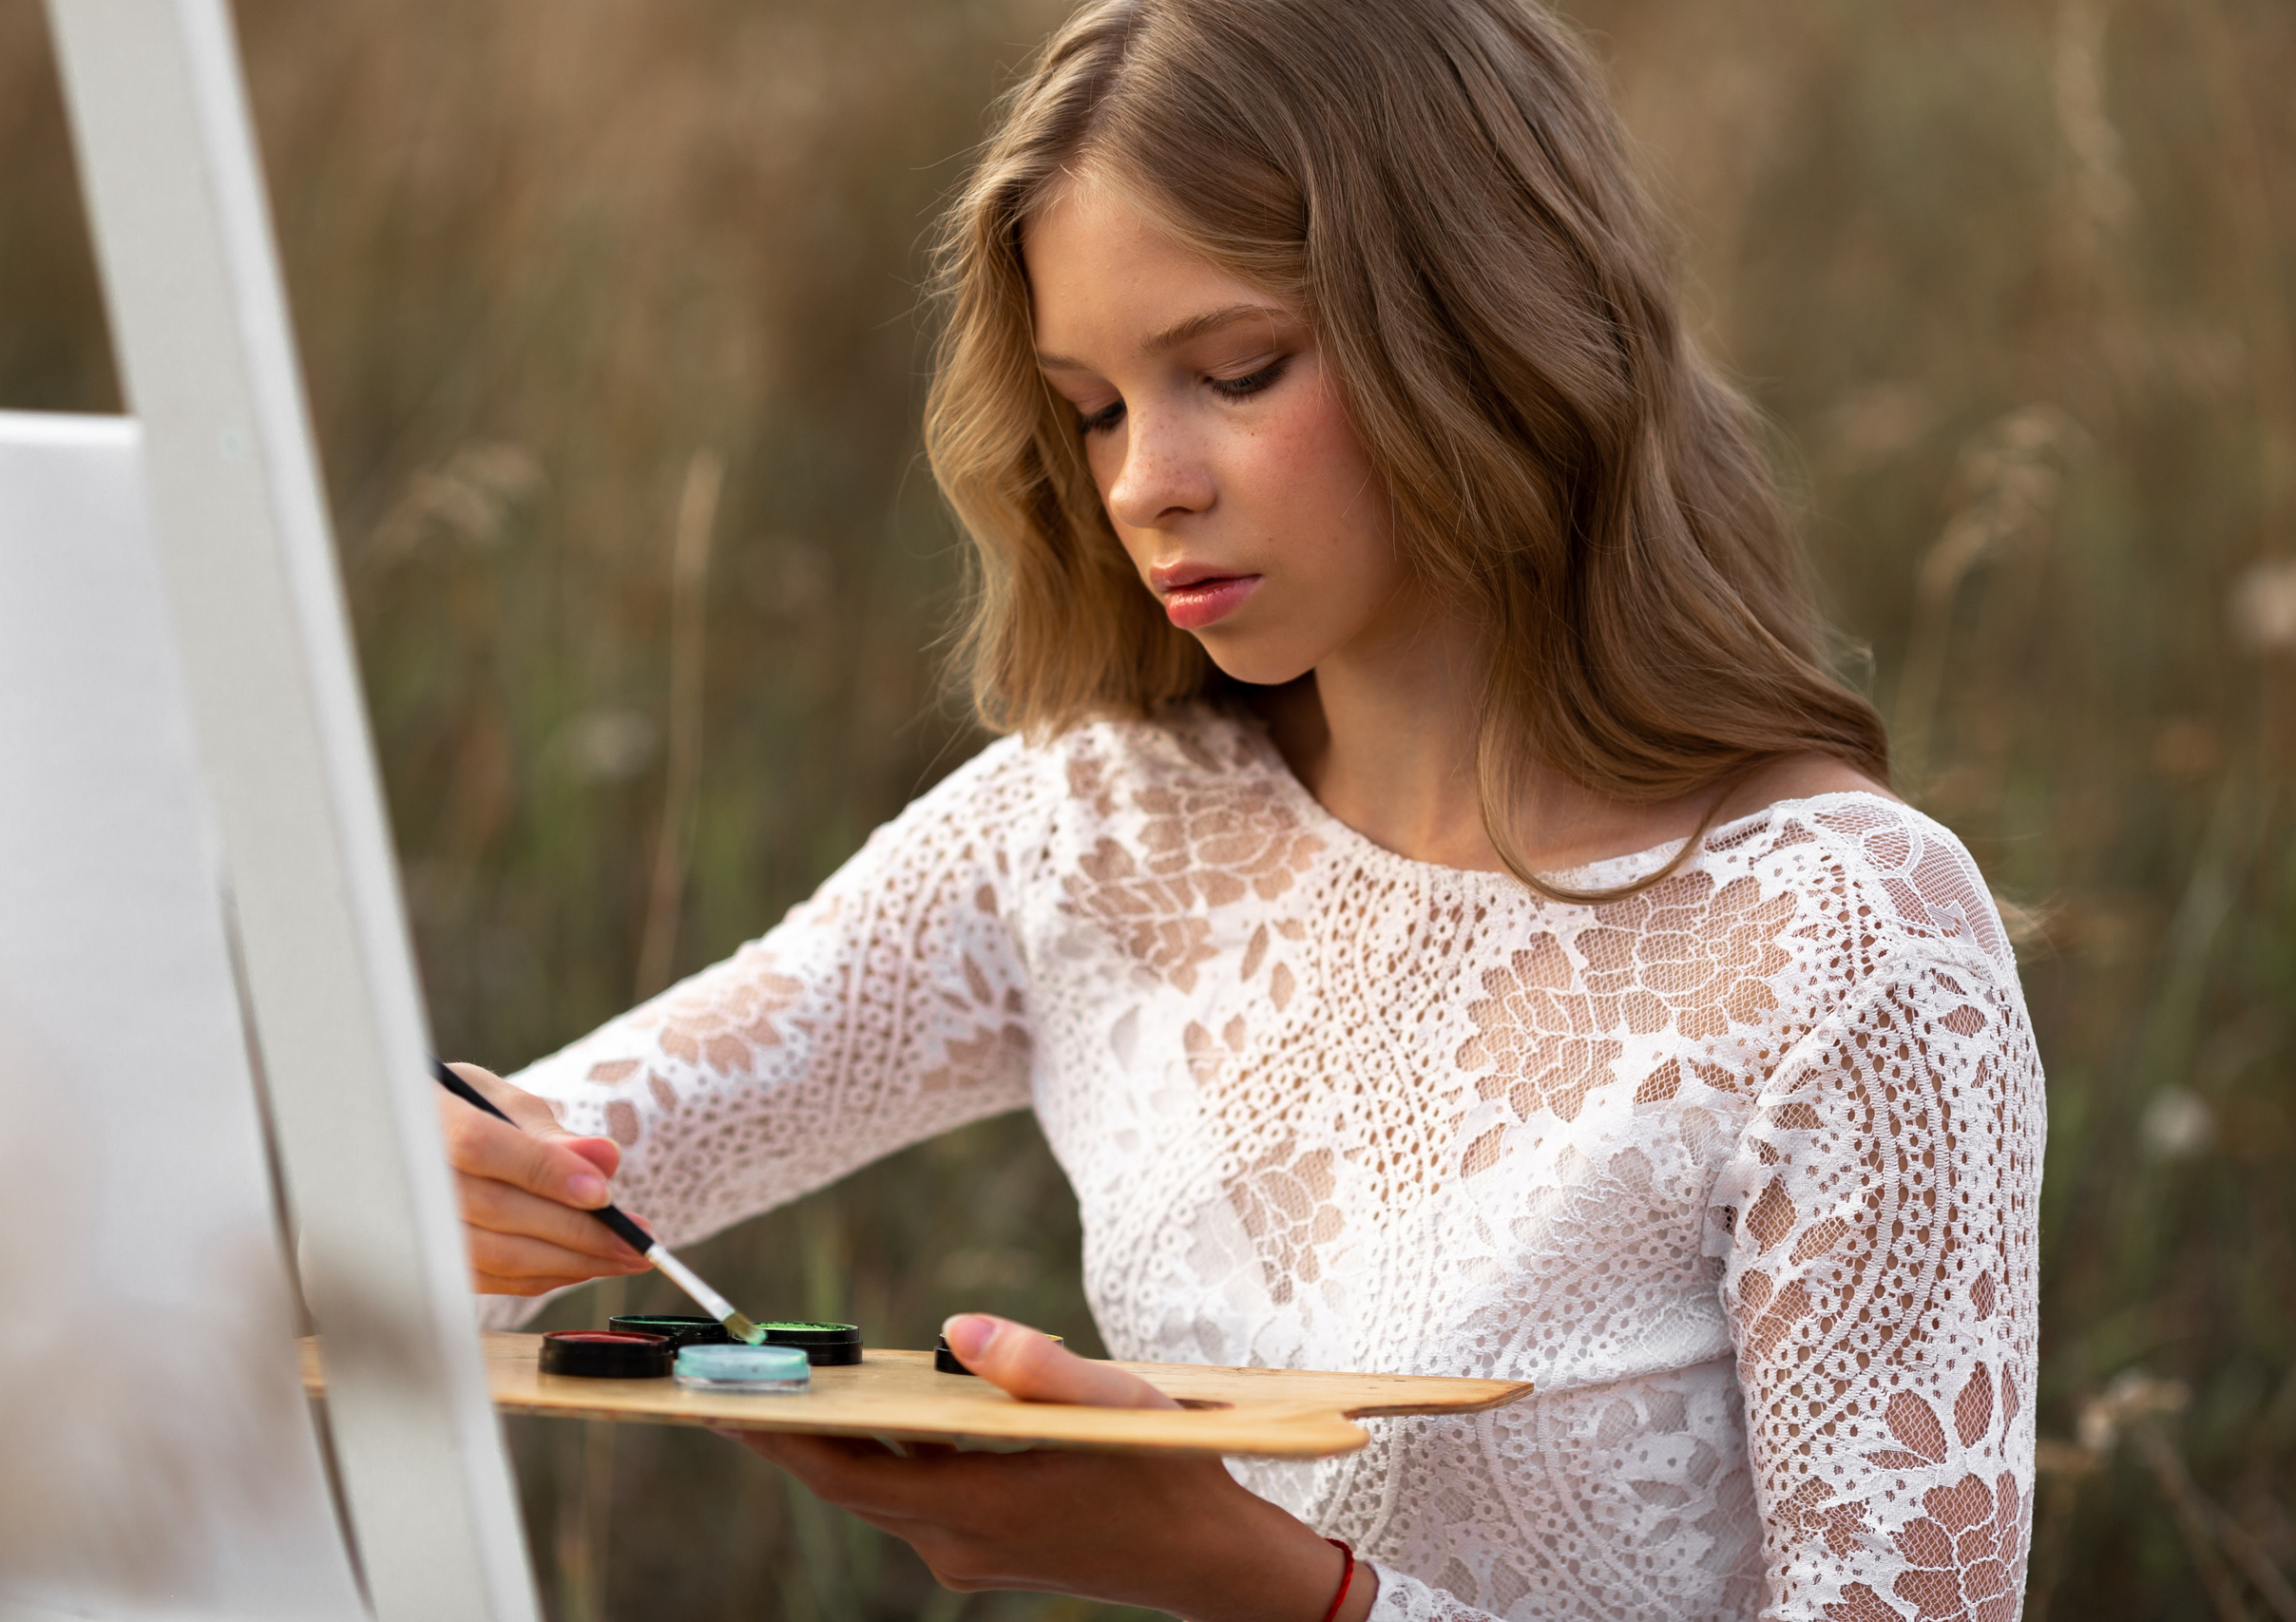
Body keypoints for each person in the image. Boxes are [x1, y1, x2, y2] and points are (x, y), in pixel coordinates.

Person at [441, 0, 2045, 1615]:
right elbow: (545, 1187)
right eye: (1096, 406)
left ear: (1488, 324)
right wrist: (430, 1182)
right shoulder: (1100, 831)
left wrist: (1273, 1584)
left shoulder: (1847, 938)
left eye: (1236, 369)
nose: (1146, 480)